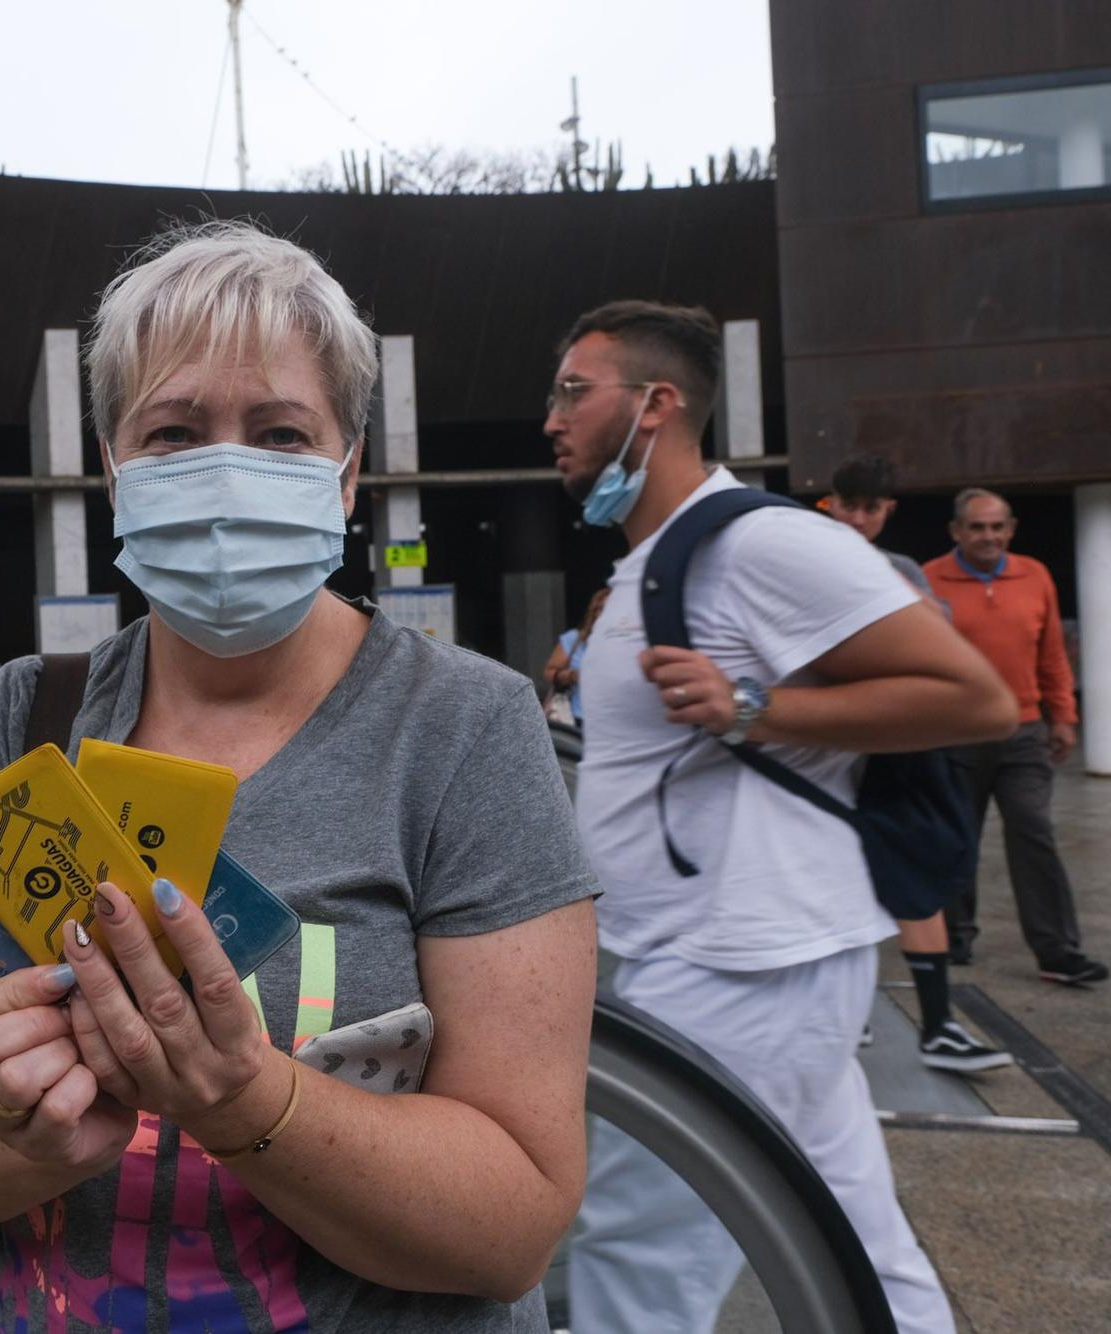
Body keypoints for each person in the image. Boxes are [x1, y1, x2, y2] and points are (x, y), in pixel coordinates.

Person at [0, 220, 601, 1330]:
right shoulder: (24, 718)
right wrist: (13, 1121)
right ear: (112, 468)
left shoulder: (462, 728)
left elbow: (514, 1222)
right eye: (170, 431)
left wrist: (243, 1097)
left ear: (346, 473)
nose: (224, 471)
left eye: (279, 432)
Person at [545, 300, 1015, 1333]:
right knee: (851, 1233)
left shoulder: (755, 543)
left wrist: (753, 707)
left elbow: (973, 696)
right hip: (743, 954)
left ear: (655, 405)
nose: (552, 418)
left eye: (575, 391)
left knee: (640, 1243)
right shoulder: (651, 561)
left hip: (738, 961)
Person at [825, 454, 1011, 1072]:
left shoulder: (898, 569)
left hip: (889, 747)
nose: (856, 519)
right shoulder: (807, 551)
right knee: (837, 882)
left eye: (868, 508)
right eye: (847, 505)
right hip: (823, 747)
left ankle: (937, 1026)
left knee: (912, 880)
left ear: (886, 511)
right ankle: (854, 1017)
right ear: (831, 502)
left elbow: (938, 629)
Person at [922, 490, 1107, 985]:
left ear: (1012, 529)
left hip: (1022, 730)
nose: (988, 536)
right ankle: (955, 933)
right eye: (977, 527)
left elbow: (1051, 655)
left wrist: (1063, 716)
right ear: (956, 531)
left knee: (1033, 831)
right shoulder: (928, 580)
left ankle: (1057, 949)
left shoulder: (1034, 575)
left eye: (997, 527)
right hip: (955, 732)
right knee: (956, 835)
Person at [543, 587, 610, 729]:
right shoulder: (573, 639)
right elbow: (549, 674)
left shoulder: (634, 642)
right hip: (581, 717)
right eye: (601, 608)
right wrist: (573, 675)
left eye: (612, 608)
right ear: (594, 612)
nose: (606, 613)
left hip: (620, 718)